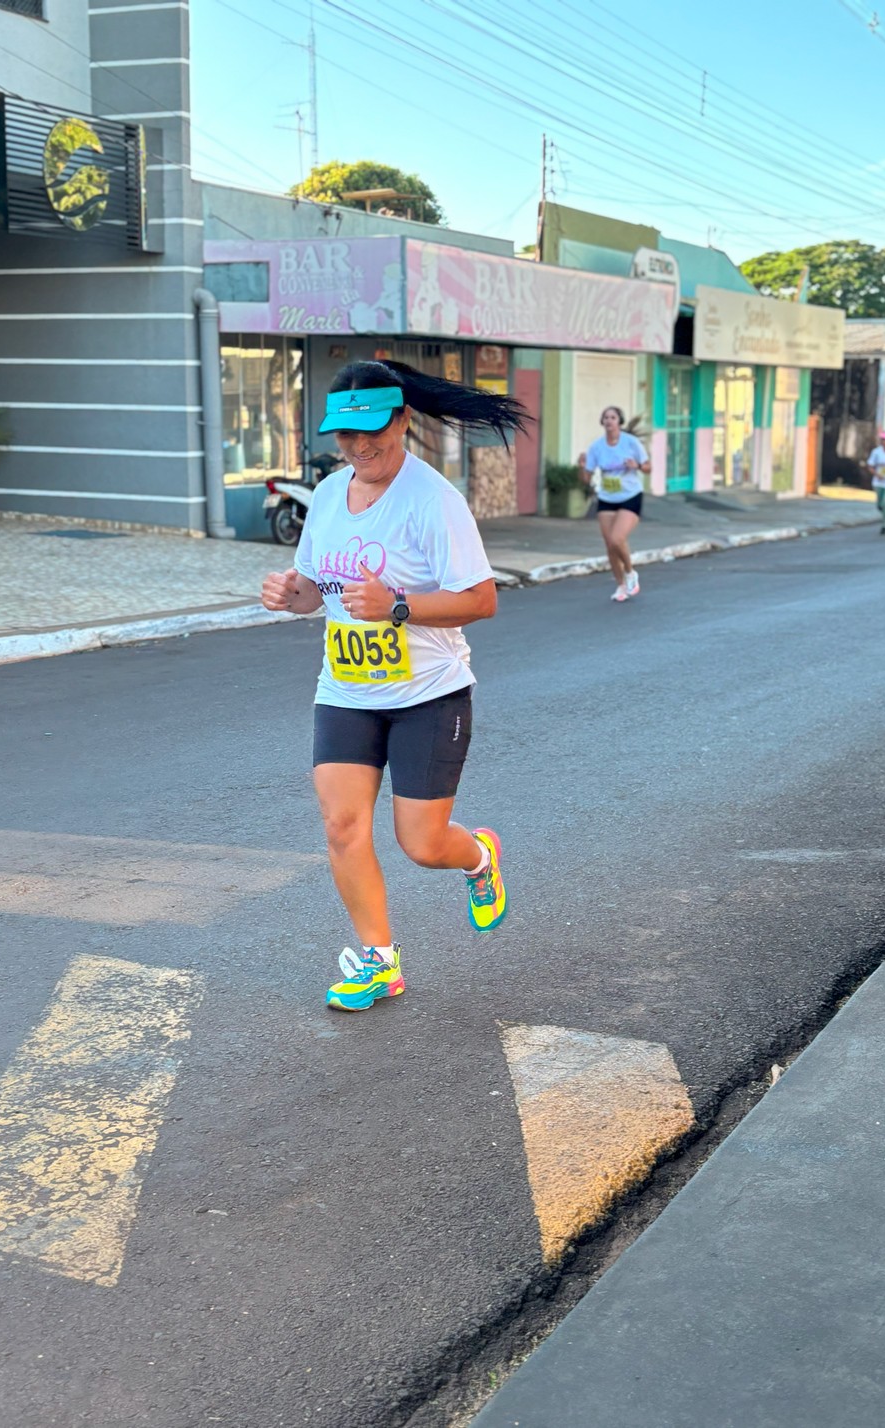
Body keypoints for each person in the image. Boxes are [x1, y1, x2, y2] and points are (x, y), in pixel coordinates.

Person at [261, 360, 527, 1011]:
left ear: (402, 420)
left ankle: (477, 857)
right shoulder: (327, 495)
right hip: (347, 690)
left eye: (371, 432)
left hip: (427, 696)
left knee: (421, 843)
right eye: (345, 437)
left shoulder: (433, 501)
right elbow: (314, 594)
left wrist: (399, 605)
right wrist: (287, 594)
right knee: (342, 824)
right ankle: (378, 959)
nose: (359, 447)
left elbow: (481, 600)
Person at [577, 406, 651, 602]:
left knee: (617, 538)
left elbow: (648, 467)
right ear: (602, 422)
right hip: (607, 498)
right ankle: (620, 585)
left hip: (630, 495)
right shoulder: (596, 447)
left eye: (613, 417)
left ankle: (630, 573)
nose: (609, 421)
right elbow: (586, 478)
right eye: (606, 417)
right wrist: (582, 467)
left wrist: (637, 466)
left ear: (619, 421)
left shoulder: (631, 443)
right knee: (610, 544)